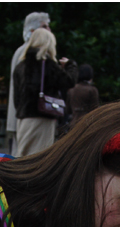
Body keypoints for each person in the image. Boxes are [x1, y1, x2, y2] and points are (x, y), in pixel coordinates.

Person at [13, 28, 77, 157]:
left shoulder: (20, 66)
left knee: (24, 155)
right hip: (42, 117)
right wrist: (70, 65)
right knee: (40, 157)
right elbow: (69, 81)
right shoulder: (47, 65)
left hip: (24, 119)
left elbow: (17, 98)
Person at [6, 11, 51, 155]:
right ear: (32, 31)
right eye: (44, 26)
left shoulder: (22, 52)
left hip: (23, 116)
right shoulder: (29, 53)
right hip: (29, 116)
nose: (49, 31)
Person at [66, 63, 100, 128]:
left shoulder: (72, 89)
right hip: (87, 123)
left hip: (73, 122)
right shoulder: (92, 90)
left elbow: (68, 109)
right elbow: (95, 109)